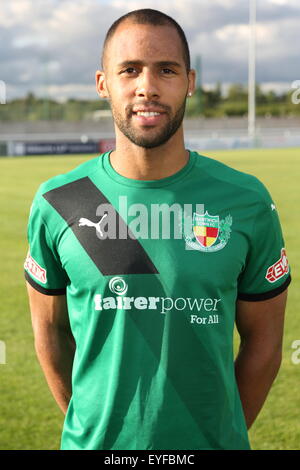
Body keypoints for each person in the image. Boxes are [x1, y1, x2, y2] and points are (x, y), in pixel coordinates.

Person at [25, 8, 291, 450]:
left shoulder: (246, 201)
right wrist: (95, 429)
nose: (147, 86)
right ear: (103, 84)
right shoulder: (61, 201)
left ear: (189, 81)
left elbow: (264, 345)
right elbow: (50, 337)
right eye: (129, 70)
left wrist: (216, 435)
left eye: (165, 70)